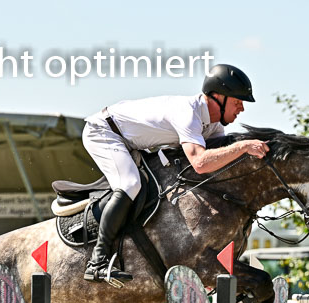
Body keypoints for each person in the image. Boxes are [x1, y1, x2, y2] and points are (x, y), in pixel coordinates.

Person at [81, 63, 267, 285]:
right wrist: (243, 146)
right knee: (130, 183)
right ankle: (97, 262)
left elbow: (217, 162)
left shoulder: (214, 126)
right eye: (238, 102)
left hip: (133, 142)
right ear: (218, 97)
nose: (242, 109)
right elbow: (200, 162)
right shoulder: (187, 113)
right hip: (104, 132)